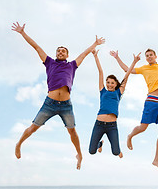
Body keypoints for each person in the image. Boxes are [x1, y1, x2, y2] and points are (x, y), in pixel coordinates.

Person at [12, 22, 105, 170]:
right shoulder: (49, 62)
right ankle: (18, 144)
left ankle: (79, 155)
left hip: (66, 106)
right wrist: (23, 33)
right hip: (50, 104)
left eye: (63, 51)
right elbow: (36, 47)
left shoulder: (72, 65)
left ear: (67, 55)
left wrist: (95, 43)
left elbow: (85, 53)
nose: (61, 52)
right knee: (34, 127)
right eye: (58, 51)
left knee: (72, 131)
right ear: (56, 54)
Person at [110, 49, 158, 172]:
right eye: (147, 56)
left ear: (155, 56)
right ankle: (130, 136)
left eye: (150, 55)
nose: (148, 57)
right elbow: (127, 70)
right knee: (143, 127)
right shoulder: (144, 68)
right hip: (152, 100)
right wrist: (117, 57)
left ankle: (156, 159)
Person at [88, 49, 141, 157]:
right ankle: (100, 144)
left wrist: (134, 62)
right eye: (108, 82)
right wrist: (95, 56)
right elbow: (101, 71)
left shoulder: (118, 92)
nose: (109, 84)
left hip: (112, 126)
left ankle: (116, 149)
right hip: (99, 124)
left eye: (112, 83)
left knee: (116, 152)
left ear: (116, 84)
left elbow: (127, 75)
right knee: (91, 151)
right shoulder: (102, 91)